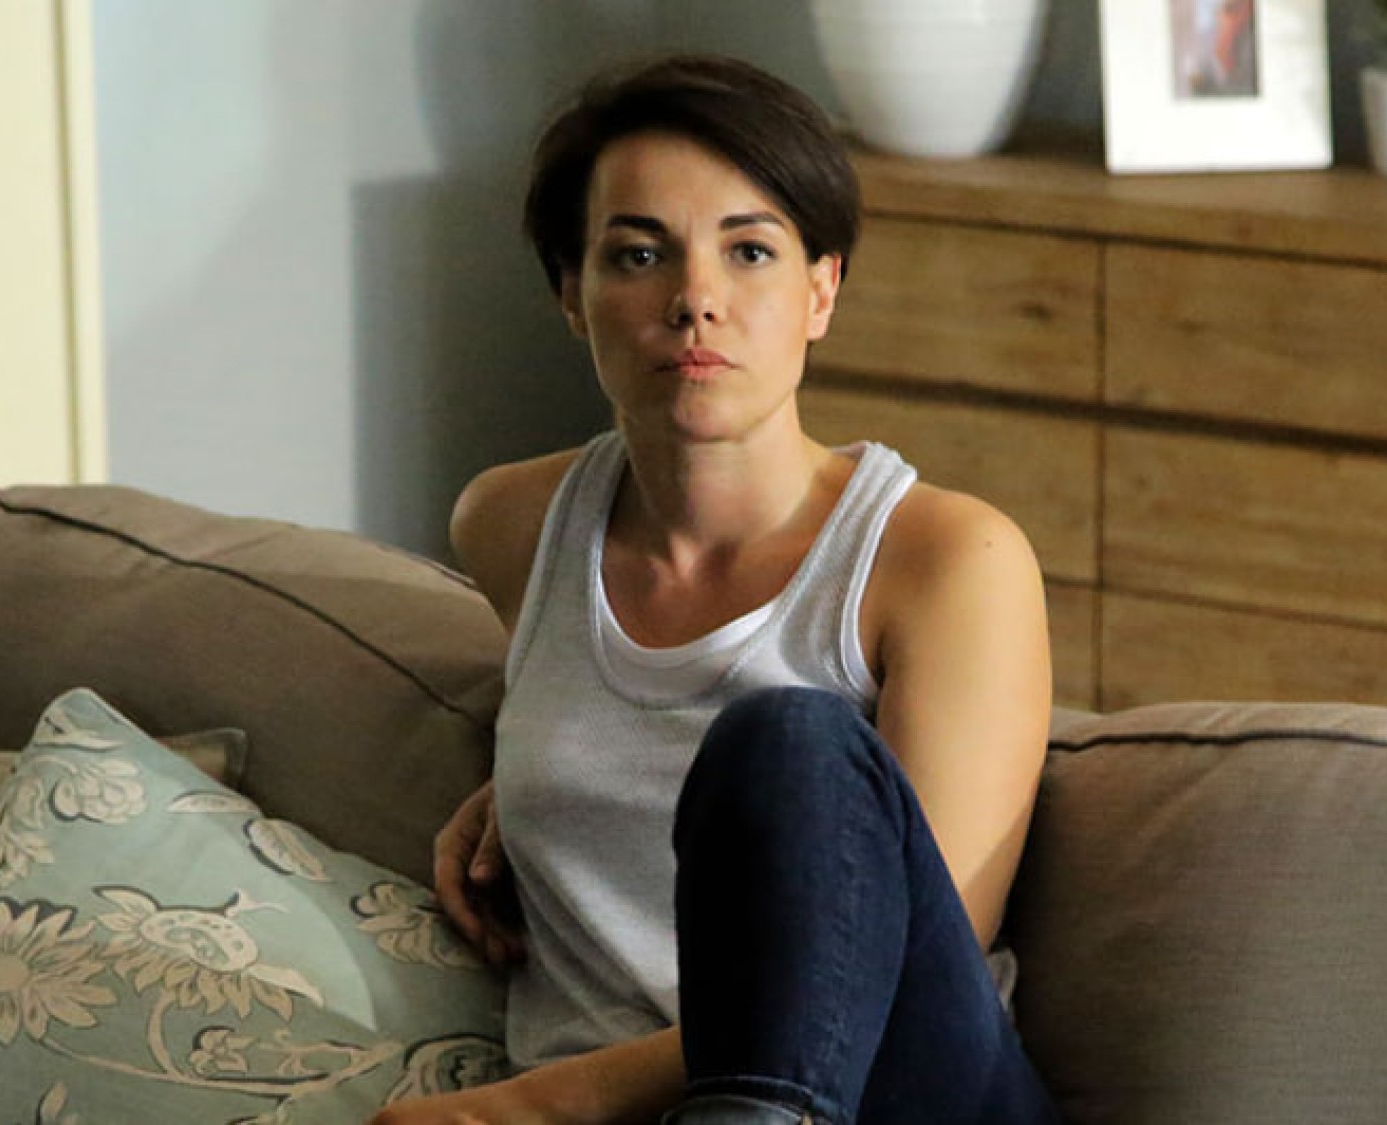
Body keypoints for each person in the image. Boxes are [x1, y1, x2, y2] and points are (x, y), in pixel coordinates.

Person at [369, 53, 1057, 1125]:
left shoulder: (949, 559)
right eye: (639, 254)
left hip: (896, 1095)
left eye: (750, 251)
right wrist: (523, 789)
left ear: (820, 290)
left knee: (789, 738)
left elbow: (902, 950)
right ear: (570, 293)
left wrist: (538, 1106)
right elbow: (626, 748)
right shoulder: (511, 526)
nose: (696, 301)